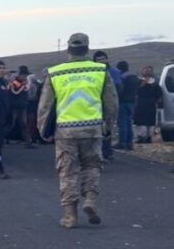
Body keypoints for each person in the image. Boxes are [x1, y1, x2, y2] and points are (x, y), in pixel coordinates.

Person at [37, 33, 118, 228]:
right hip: (92, 129)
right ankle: (90, 199)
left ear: (68, 50)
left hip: (66, 131)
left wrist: (42, 130)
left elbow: (45, 106)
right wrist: (108, 126)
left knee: (67, 171)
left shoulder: (55, 73)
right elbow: (111, 102)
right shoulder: (100, 70)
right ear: (87, 49)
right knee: (92, 166)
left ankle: (70, 216)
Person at [93, 50, 120, 159]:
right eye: (98, 59)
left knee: (107, 128)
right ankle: (97, 153)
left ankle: (107, 152)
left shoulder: (113, 71)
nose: (101, 61)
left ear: (107, 59)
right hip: (96, 104)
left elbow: (118, 86)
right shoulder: (93, 72)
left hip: (108, 103)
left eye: (103, 58)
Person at [114, 60, 139, 149]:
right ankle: (130, 143)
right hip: (132, 103)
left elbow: (120, 90)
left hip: (122, 102)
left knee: (122, 124)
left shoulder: (122, 78)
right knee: (129, 123)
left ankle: (122, 143)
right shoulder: (134, 77)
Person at [134, 65, 163, 143]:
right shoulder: (138, 81)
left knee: (150, 122)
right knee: (141, 122)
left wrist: (158, 101)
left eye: (148, 70)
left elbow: (159, 94)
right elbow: (135, 91)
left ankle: (149, 137)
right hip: (141, 104)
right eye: (145, 69)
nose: (147, 71)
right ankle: (141, 137)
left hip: (151, 104)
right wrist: (142, 84)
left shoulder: (155, 83)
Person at [8, 66, 30, 145]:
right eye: (24, 75)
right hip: (14, 106)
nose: (25, 77)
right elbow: (13, 93)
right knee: (10, 124)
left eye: (25, 75)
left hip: (22, 106)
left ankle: (28, 142)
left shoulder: (24, 82)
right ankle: (0, 140)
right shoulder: (14, 82)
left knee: (24, 124)